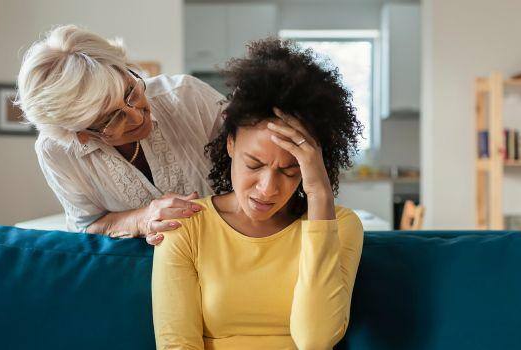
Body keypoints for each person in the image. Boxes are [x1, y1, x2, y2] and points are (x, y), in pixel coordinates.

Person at [151, 37, 364, 349]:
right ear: (230, 144)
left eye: (290, 171)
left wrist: (319, 194)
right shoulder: (186, 226)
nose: (267, 189)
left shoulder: (340, 226)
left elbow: (315, 339)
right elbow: (176, 344)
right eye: (254, 164)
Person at [16, 25, 225, 244]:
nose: (137, 117)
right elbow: (86, 227)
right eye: (110, 118)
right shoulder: (57, 151)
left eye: (129, 92)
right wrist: (141, 219)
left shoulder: (186, 95)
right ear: (79, 134)